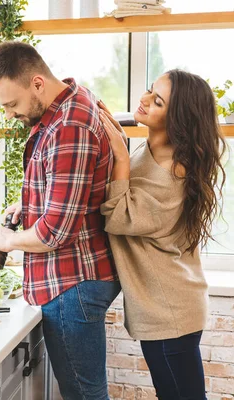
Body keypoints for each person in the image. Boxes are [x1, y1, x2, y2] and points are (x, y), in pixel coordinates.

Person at [0, 41, 120, 399]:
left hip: (71, 283)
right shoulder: (67, 104)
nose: (10, 114)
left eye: (12, 104)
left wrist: (7, 241)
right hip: (72, 280)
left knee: (85, 395)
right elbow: (70, 187)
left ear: (38, 84)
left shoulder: (69, 126)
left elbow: (57, 231)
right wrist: (28, 203)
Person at [99, 69, 226, 399]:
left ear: (178, 120)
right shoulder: (154, 149)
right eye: (149, 91)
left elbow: (118, 215)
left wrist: (120, 154)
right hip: (169, 307)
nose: (143, 101)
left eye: (156, 102)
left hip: (170, 313)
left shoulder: (175, 174)